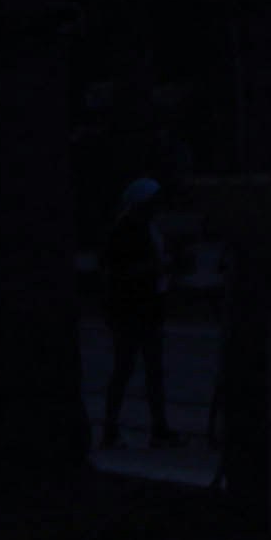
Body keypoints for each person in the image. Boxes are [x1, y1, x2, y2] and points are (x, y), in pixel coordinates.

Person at [95, 177, 174, 447]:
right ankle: (145, 428)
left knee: (136, 369)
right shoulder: (129, 230)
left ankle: (125, 427)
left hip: (142, 306)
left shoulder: (139, 227)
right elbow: (120, 271)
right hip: (135, 307)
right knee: (136, 369)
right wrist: (156, 268)